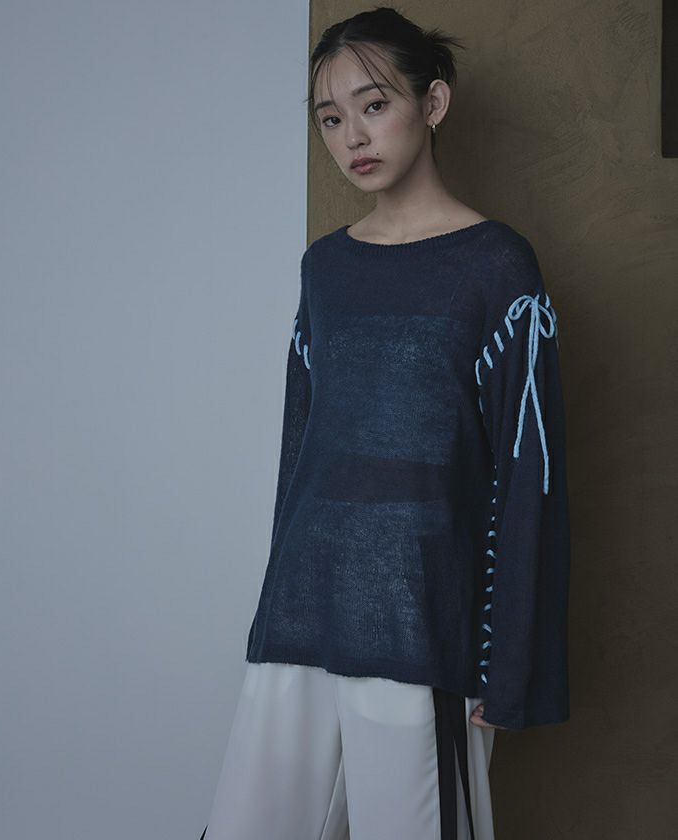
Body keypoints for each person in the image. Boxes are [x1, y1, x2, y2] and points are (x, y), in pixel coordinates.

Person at [200, 6, 571, 839]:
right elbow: (301, 457)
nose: (352, 137)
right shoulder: (325, 268)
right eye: (330, 119)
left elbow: (529, 476)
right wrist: (274, 607)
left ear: (432, 103)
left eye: (374, 105)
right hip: (301, 616)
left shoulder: (497, 266)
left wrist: (509, 663)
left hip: (421, 625)